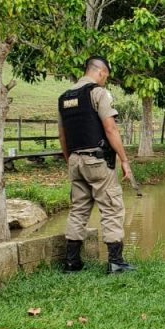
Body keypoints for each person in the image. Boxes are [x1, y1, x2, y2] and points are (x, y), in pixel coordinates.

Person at [58, 55, 135, 273]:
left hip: (75, 160)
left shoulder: (64, 98)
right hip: (98, 160)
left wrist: (70, 160)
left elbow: (62, 136)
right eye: (105, 77)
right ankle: (116, 262)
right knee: (111, 207)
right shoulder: (97, 93)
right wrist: (124, 159)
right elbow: (110, 129)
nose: (105, 81)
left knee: (78, 209)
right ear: (100, 72)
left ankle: (72, 262)